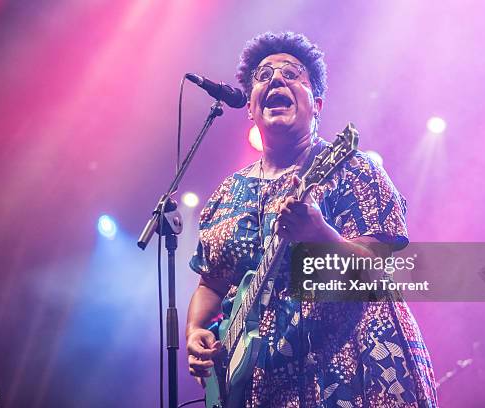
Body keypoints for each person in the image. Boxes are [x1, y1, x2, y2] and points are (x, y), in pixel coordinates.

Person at [185, 31, 437, 407]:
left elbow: (381, 270)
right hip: (261, 387)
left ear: (317, 104)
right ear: (251, 109)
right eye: (263, 75)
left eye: (291, 73)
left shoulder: (353, 169)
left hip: (351, 369)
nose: (275, 79)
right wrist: (194, 330)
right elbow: (210, 283)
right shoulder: (226, 194)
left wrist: (322, 235)